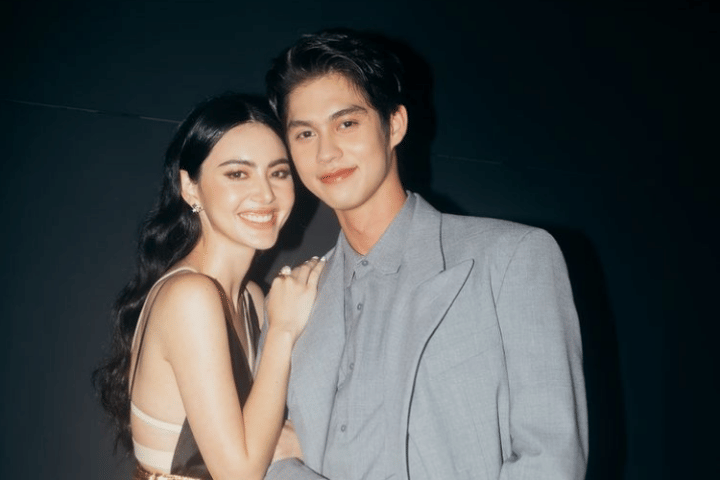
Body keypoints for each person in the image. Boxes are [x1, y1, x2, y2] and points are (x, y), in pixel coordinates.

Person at [262, 29, 589, 479]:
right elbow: (268, 458)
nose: (326, 152)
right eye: (304, 134)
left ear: (394, 124)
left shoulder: (511, 258)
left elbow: (549, 459)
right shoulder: (295, 300)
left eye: (347, 123)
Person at [93, 93, 324, 480]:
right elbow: (240, 472)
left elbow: (266, 436)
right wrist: (283, 330)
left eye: (279, 172)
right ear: (190, 187)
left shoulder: (251, 298)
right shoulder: (189, 297)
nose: (266, 194)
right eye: (238, 174)